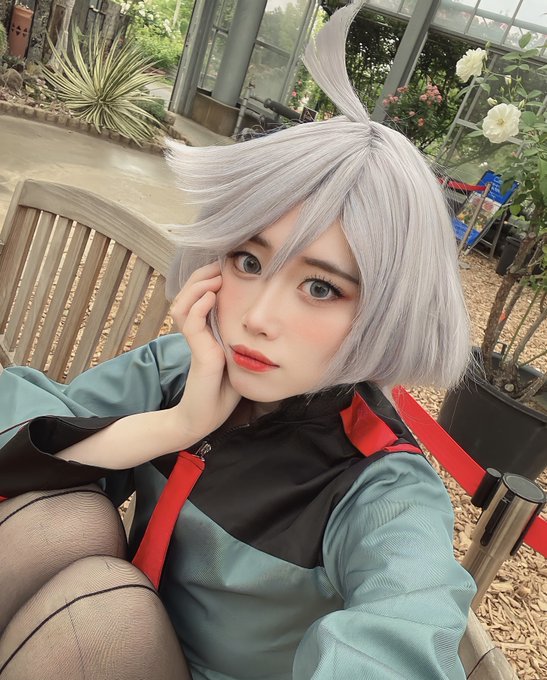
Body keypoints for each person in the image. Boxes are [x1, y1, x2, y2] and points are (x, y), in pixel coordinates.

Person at [0, 2, 476, 678]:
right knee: (69, 523)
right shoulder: (182, 368)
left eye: (321, 288)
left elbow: (405, 630)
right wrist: (178, 424)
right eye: (249, 261)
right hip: (100, 639)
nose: (257, 316)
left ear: (385, 311)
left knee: (105, 605)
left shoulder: (377, 484)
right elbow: (21, 434)